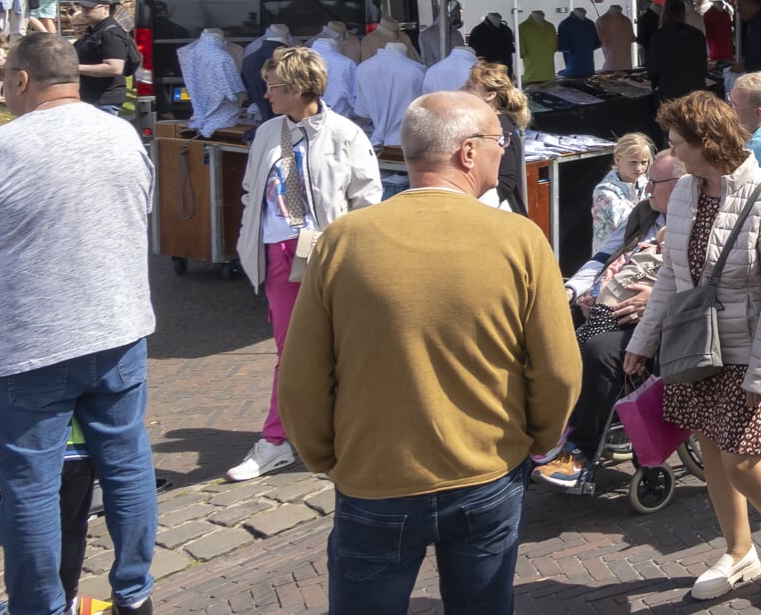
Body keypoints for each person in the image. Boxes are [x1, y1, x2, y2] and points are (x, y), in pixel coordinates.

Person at [278, 92, 579, 612]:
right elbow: (557, 371)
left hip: (375, 476)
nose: (504, 151)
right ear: (467, 152)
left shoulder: (344, 240)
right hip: (486, 469)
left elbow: (301, 376)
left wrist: (328, 457)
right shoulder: (520, 240)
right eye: (497, 141)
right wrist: (537, 441)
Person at [0, 35, 159, 615]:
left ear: (22, 79)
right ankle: (134, 593)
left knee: (31, 485)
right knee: (126, 466)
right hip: (119, 331)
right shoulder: (123, 133)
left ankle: (41, 605)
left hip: (32, 344)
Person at [623, 93, 761, 604]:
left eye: (679, 143)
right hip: (696, 348)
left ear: (708, 143)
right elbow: (671, 279)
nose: (673, 153)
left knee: (744, 457)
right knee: (710, 450)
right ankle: (739, 550)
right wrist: (642, 341)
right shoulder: (682, 192)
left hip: (746, 350)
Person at [228, 46, 382, 482]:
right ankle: (277, 440)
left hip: (328, 255)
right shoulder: (266, 133)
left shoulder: (346, 134)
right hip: (279, 254)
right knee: (290, 351)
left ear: (299, 89)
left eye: (273, 87)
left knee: (340, 348)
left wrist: (347, 254)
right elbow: (250, 190)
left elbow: (366, 202)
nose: (266, 94)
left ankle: (343, 431)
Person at [538, 150, 683, 488]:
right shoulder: (643, 214)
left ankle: (581, 449)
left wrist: (657, 301)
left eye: (655, 183)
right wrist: (573, 291)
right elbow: (603, 256)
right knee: (553, 331)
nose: (646, 189)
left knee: (598, 350)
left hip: (663, 321)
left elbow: (705, 281)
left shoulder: (696, 220)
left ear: (680, 185)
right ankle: (554, 428)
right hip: (608, 304)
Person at [466, 61, 531, 212]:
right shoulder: (487, 124)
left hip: (499, 213)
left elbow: (506, 178)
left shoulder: (499, 128)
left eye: (469, 86)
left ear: (490, 95)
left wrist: (480, 209)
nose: (462, 91)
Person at [352, 34, 426, 148]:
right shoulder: (416, 71)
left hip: (375, 141)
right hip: (406, 141)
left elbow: (363, 111)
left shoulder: (362, 69)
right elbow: (423, 111)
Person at [590, 131, 655, 253]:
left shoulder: (646, 183)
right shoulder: (604, 192)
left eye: (644, 162)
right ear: (618, 160)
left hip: (635, 251)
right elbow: (629, 223)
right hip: (608, 256)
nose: (639, 168)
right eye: (633, 162)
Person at [70, 0, 133, 113]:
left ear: (106, 8)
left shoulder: (110, 33)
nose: (85, 11)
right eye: (83, 8)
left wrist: (75, 68)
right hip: (91, 99)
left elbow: (115, 68)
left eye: (90, 8)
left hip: (104, 101)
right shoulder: (93, 30)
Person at [648, 0, 709, 101]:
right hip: (695, 91)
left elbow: (654, 68)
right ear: (683, 13)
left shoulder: (659, 36)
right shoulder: (697, 34)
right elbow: (703, 64)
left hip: (670, 91)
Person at [557, 7, 600, 77]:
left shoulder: (590, 23)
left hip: (588, 69)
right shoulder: (565, 24)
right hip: (574, 70)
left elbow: (595, 43)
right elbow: (564, 48)